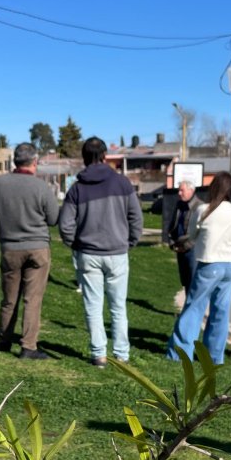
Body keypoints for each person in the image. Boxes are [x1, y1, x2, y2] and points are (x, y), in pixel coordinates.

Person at [58, 136, 142, 367]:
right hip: (117, 252)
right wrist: (130, 242)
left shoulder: (77, 188)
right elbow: (136, 218)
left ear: (84, 158)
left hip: (88, 254)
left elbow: (65, 224)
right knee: (118, 306)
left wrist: (75, 244)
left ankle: (99, 354)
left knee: (93, 306)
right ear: (105, 156)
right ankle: (122, 354)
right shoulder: (122, 183)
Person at [0, 142, 59, 360]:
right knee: (32, 299)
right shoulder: (41, 187)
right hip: (37, 247)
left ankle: (4, 339)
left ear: (14, 161)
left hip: (10, 247)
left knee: (9, 298)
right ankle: (28, 346)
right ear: (34, 162)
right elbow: (53, 218)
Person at [165, 171, 231, 365]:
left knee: (194, 308)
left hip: (209, 263)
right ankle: (214, 356)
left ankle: (180, 353)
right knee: (221, 312)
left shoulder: (203, 210)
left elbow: (192, 235)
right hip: (229, 266)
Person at [167, 179, 198, 293]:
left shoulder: (199, 207)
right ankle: (187, 303)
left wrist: (186, 246)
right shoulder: (179, 205)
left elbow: (199, 232)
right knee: (185, 280)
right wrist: (172, 242)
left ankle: (192, 304)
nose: (179, 193)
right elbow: (173, 225)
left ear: (191, 190)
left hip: (193, 250)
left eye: (182, 190)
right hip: (180, 249)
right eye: (178, 190)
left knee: (193, 281)